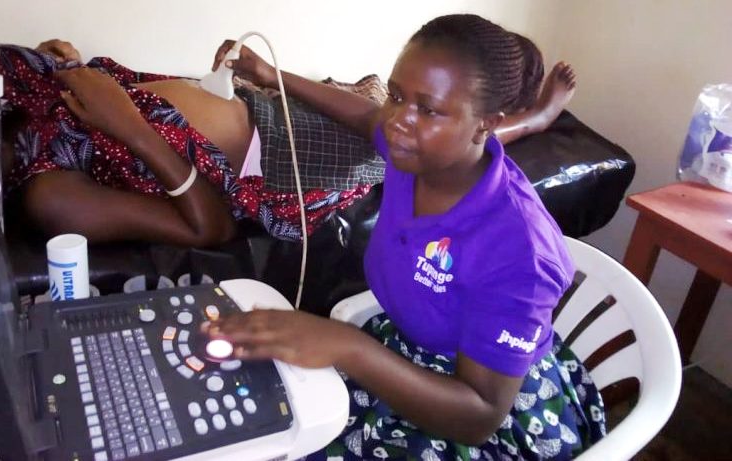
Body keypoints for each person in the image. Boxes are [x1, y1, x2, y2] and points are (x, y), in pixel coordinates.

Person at [202, 14, 603, 460]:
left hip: (484, 412)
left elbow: (480, 416)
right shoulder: (412, 155)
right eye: (396, 95)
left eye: (428, 109)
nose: (398, 121)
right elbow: (365, 116)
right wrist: (271, 75)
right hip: (405, 349)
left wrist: (348, 346)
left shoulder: (520, 252)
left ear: (487, 123)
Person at [0, 30, 574, 248]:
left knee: (382, 108)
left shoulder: (21, 96)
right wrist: (132, 128)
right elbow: (209, 229)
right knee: (409, 137)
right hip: (285, 165)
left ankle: (505, 111)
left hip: (263, 108)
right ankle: (529, 121)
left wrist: (272, 77)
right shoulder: (51, 195)